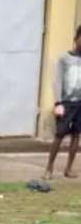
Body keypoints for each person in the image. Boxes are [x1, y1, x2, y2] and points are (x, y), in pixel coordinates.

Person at [45, 25, 81, 179]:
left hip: (80, 103)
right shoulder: (64, 59)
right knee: (59, 135)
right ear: (76, 39)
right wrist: (58, 102)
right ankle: (49, 168)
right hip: (66, 103)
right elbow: (58, 81)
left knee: (76, 135)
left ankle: (69, 168)